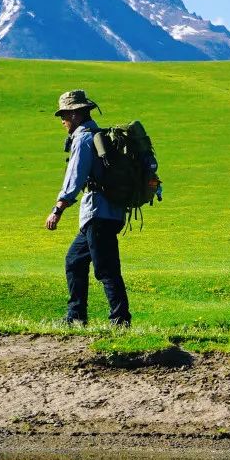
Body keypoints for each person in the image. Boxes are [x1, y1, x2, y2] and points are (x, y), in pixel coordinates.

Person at [45, 90, 131, 326]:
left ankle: (120, 321)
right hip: (109, 211)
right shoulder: (97, 135)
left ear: (74, 115)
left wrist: (58, 209)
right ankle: (76, 317)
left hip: (98, 212)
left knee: (106, 268)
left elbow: (74, 179)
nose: (62, 121)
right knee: (74, 260)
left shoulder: (83, 140)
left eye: (63, 115)